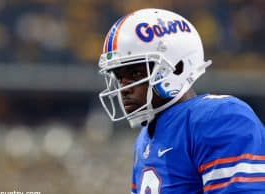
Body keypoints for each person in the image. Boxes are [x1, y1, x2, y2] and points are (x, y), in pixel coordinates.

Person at [98, 8, 265, 194]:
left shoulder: (218, 118)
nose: (124, 88)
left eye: (135, 74)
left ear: (177, 68)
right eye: (119, 77)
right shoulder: (144, 139)